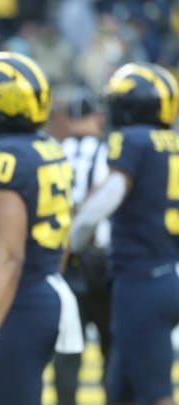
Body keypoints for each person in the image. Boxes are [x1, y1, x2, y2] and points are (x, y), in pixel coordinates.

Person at [0, 51, 83, 405]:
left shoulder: (3, 158)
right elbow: (62, 242)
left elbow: (10, 256)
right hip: (43, 292)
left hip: (18, 305)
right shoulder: (47, 148)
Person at [70, 62, 179, 405]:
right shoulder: (171, 142)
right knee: (120, 389)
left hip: (141, 281)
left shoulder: (132, 140)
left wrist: (72, 240)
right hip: (167, 274)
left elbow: (102, 202)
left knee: (155, 392)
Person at [54, 88, 112, 405]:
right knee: (111, 346)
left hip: (63, 261)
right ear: (98, 118)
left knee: (68, 347)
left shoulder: (56, 151)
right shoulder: (106, 152)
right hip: (100, 259)